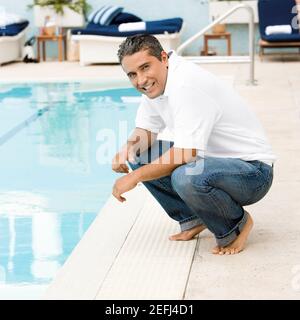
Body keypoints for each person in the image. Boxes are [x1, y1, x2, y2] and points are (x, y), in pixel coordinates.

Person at [111, 34, 276, 255]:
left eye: (145, 67)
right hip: (214, 163)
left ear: (163, 58)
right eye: (132, 74)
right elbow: (147, 129)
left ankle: (236, 225)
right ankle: (193, 218)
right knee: (139, 155)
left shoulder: (186, 85)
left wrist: (134, 177)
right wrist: (126, 150)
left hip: (253, 172)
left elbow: (186, 153)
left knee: (187, 176)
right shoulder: (158, 83)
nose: (140, 80)